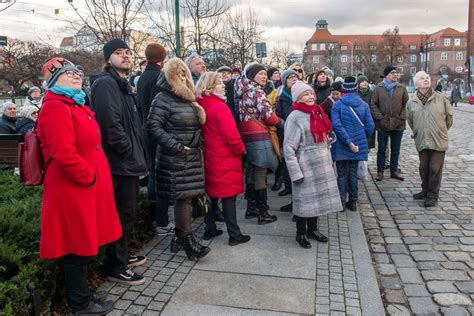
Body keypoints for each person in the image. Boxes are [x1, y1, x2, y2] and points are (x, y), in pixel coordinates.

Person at [37, 57, 121, 315]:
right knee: (77, 244)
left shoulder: (74, 103)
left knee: (86, 242)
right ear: (52, 81)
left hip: (84, 187)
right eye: (67, 73)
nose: (75, 75)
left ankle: (82, 293)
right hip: (73, 187)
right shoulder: (56, 107)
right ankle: (79, 304)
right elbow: (64, 152)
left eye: (76, 72)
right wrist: (89, 176)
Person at [90, 38, 148, 286]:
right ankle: (116, 265)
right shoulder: (106, 84)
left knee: (127, 212)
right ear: (107, 59)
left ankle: (122, 256)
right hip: (119, 162)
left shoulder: (122, 83)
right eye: (118, 53)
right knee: (122, 213)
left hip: (127, 160)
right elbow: (110, 124)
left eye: (127, 52)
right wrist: (126, 151)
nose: (125, 56)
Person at [147, 57, 210, 260]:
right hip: (175, 158)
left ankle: (178, 238)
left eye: (185, 73)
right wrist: (176, 147)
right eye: (179, 73)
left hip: (190, 156)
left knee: (187, 197)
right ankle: (188, 241)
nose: (183, 77)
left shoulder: (186, 98)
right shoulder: (162, 98)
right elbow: (153, 127)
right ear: (170, 76)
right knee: (183, 199)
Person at [284, 81, 341, 249]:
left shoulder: (318, 111)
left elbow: (323, 133)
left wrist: (328, 140)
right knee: (304, 201)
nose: (309, 97)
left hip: (321, 161)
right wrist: (295, 172)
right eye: (305, 95)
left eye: (310, 93)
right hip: (305, 164)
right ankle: (300, 232)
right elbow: (288, 148)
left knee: (317, 200)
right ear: (298, 98)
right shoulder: (294, 117)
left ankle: (313, 230)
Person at [196, 72, 251, 245]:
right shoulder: (220, 107)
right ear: (210, 87)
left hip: (208, 157)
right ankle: (234, 235)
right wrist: (241, 150)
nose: (223, 86)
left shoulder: (200, 105)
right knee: (229, 197)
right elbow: (232, 136)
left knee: (212, 195)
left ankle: (209, 229)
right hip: (225, 157)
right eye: (220, 83)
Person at [235, 63, 284, 224]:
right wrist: (280, 122)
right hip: (259, 134)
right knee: (261, 172)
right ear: (252, 76)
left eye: (265, 74)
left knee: (252, 168)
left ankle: (251, 208)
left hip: (247, 134)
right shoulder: (257, 92)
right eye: (260, 74)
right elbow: (268, 117)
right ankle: (263, 213)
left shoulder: (243, 91)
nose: (264, 76)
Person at [136, 43, 175, 236]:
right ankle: (161, 220)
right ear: (162, 58)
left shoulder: (143, 77)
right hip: (156, 133)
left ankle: (153, 217)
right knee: (159, 177)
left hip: (146, 129)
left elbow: (141, 107)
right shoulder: (159, 77)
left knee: (153, 173)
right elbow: (158, 109)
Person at [407, 71, 453, 207]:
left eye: (427, 78)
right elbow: (410, 120)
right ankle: (425, 190)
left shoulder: (441, 98)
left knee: (435, 168)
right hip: (422, 138)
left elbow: (449, 118)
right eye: (422, 78)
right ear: (416, 83)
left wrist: (441, 130)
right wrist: (417, 131)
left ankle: (432, 195)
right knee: (423, 167)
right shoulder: (412, 101)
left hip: (438, 139)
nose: (426, 80)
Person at [331, 76, 375, 212]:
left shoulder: (337, 104)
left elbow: (336, 125)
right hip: (358, 145)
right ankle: (353, 202)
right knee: (353, 173)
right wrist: (361, 137)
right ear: (356, 88)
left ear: (343, 89)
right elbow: (370, 126)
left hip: (341, 145)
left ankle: (342, 203)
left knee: (342, 174)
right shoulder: (363, 105)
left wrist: (347, 140)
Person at [370, 66, 408, 181]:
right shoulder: (378, 88)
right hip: (383, 124)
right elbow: (373, 104)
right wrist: (380, 118)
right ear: (386, 75)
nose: (395, 75)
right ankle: (380, 171)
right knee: (381, 149)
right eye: (392, 73)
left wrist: (402, 116)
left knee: (395, 149)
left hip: (398, 124)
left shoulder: (401, 88)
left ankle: (394, 171)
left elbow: (406, 103)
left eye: (396, 73)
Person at [274, 69, 298, 207]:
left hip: (300, 136)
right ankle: (289, 189)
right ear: (285, 81)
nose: (293, 79)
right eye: (290, 78)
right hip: (286, 133)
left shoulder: (302, 94)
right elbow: (278, 115)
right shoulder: (282, 96)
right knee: (288, 165)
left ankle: (297, 200)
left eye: (295, 77)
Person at [357, 75, 376, 149]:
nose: (365, 83)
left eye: (366, 81)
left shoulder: (372, 93)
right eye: (362, 81)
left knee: (368, 144)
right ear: (358, 84)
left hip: (369, 119)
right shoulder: (356, 93)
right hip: (358, 119)